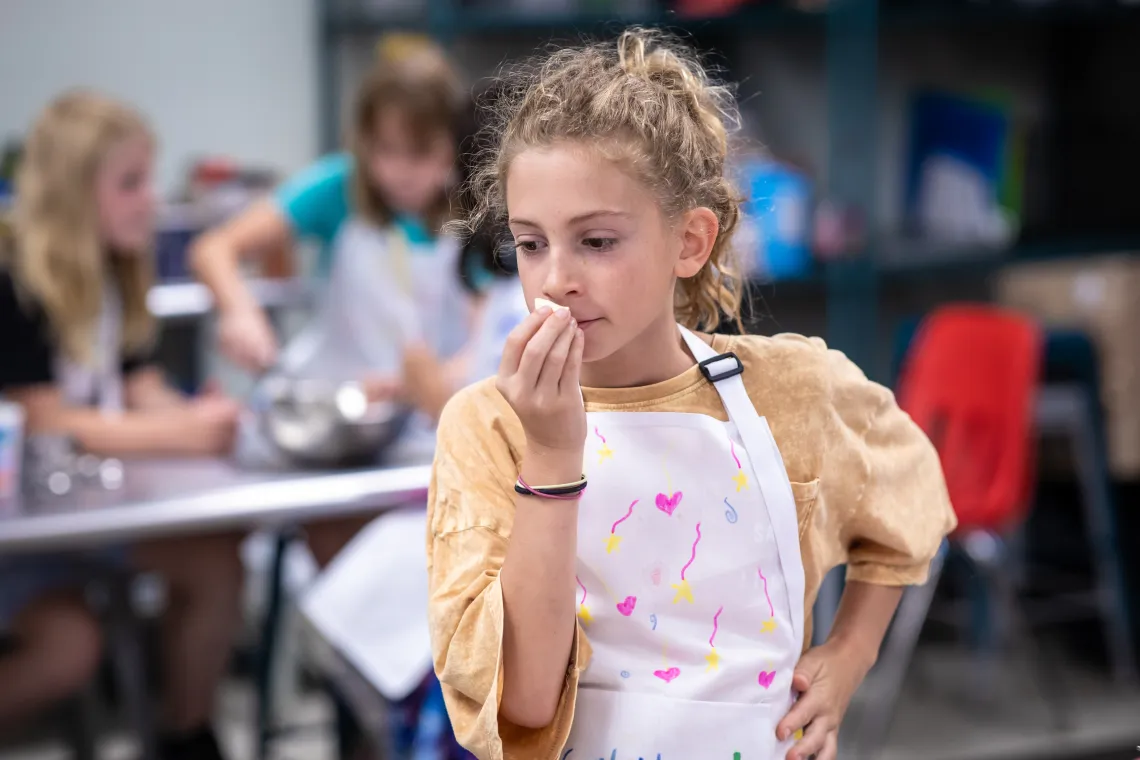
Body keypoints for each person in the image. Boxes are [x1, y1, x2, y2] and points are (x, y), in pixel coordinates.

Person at [425, 29, 957, 760]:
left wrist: (849, 657)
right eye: (531, 243)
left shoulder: (789, 389)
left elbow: (911, 499)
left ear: (690, 242)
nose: (556, 280)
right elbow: (523, 700)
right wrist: (550, 455)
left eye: (598, 242)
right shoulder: (487, 427)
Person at [0, 91, 244, 760]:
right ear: (75, 192)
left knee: (218, 559)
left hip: (88, 517)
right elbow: (46, 418)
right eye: (131, 183)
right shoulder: (15, 282)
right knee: (68, 649)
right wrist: (183, 434)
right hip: (22, 533)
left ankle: (183, 732)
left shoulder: (113, 276)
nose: (151, 201)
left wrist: (202, 416)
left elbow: (139, 389)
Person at [191, 35, 483, 567]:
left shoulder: (474, 216)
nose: (399, 170)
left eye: (420, 154)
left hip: (428, 433)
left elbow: (483, 342)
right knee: (343, 553)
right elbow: (215, 250)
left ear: (454, 145)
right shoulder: (338, 191)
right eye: (384, 151)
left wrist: (426, 382)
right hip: (335, 436)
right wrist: (240, 309)